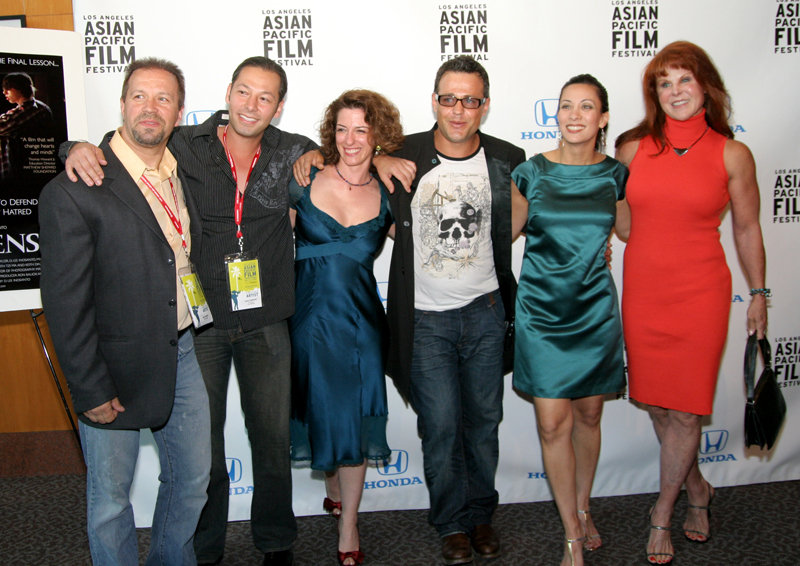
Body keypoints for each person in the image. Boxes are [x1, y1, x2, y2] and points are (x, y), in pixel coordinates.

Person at [62, 56, 317, 566]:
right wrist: (72, 148)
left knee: (271, 442)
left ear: (279, 106)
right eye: (244, 91)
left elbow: (348, 156)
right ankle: (205, 548)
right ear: (227, 92)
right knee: (203, 452)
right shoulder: (184, 142)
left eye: (265, 97)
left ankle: (275, 541)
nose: (251, 104)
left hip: (266, 320)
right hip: (200, 325)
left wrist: (376, 159)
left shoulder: (295, 152)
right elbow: (120, 149)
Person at [39, 58, 211, 565]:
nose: (150, 108)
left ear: (179, 112)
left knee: (193, 480)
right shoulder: (75, 187)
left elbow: (251, 130)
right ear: (121, 104)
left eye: (163, 99)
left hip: (180, 350)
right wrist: (88, 386)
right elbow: (65, 302)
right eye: (139, 96)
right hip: (110, 366)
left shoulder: (178, 170)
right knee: (111, 504)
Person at [615, 41, 768, 565]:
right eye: (664, 82)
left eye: (684, 80)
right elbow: (624, 226)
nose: (675, 91)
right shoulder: (632, 149)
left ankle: (664, 512)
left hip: (701, 293)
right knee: (658, 404)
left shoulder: (732, 153)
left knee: (684, 412)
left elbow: (747, 228)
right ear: (654, 93)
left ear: (705, 86)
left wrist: (760, 294)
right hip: (645, 292)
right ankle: (696, 486)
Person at [511, 74, 627, 566]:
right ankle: (571, 535)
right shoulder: (530, 173)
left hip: (595, 309)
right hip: (540, 311)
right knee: (552, 423)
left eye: (586, 107)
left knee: (590, 415)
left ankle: (582, 507)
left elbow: (629, 230)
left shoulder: (616, 175)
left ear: (602, 119)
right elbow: (502, 236)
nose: (574, 115)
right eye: (565, 106)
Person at [288, 89, 404, 566]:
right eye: (342, 129)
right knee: (321, 412)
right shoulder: (305, 177)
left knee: (354, 420)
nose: (351, 140)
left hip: (361, 325)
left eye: (362, 129)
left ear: (378, 136)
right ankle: (334, 487)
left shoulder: (393, 191)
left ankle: (349, 524)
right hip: (308, 320)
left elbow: (426, 249)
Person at [1, 72, 54, 178]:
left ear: (20, 88)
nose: (4, 92)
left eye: (8, 88)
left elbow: (3, 125)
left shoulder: (32, 109)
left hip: (20, 173)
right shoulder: (38, 107)